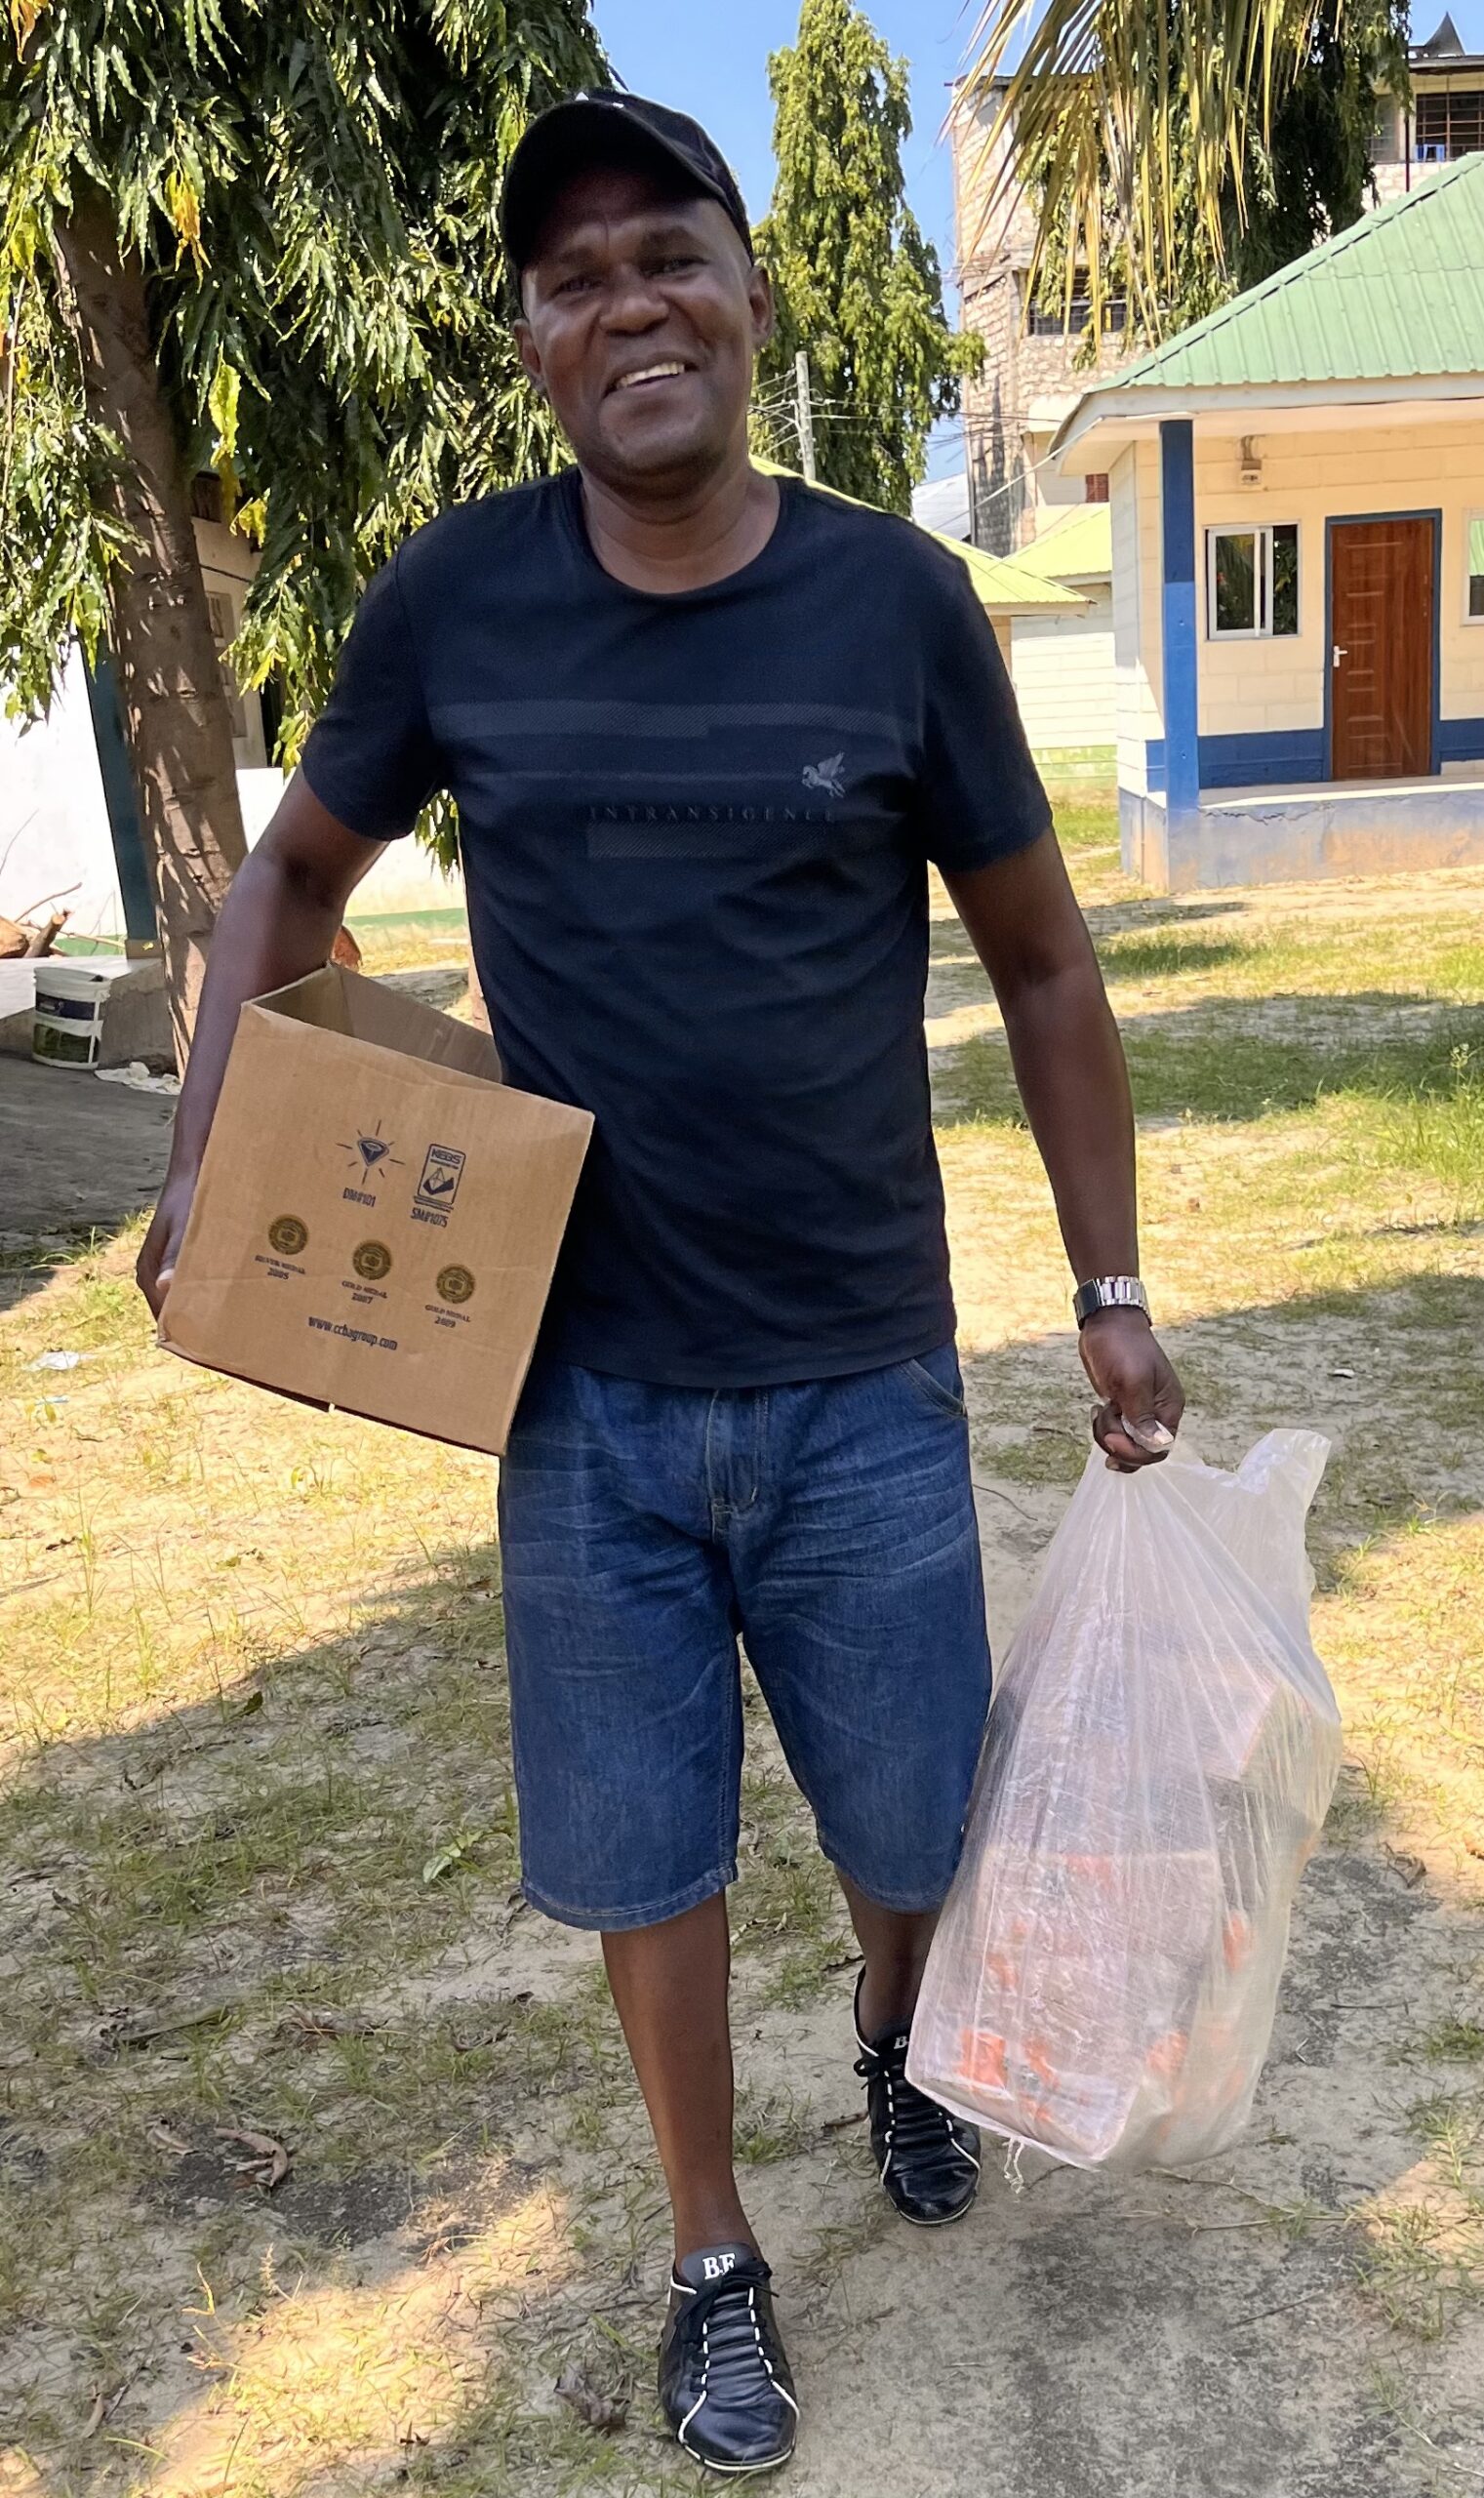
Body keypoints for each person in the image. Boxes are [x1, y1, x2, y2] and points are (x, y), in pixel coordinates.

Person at [138, 91, 1184, 2478]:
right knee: (647, 1860)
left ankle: (895, 2032)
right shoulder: (454, 603)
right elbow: (287, 877)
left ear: (749, 287)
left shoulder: (895, 606)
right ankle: (711, 2243)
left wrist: (1106, 1279)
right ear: (531, 339)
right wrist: (208, 1150)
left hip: (857, 1374)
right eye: (573, 275)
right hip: (576, 1388)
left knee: (908, 1827)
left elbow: (1040, 960)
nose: (629, 304)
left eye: (668, 254)